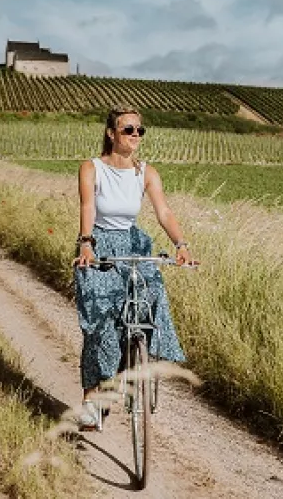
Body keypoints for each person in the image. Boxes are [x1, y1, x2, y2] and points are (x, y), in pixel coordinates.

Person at [72, 105, 196, 431]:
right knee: (99, 326)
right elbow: (87, 206)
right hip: (99, 245)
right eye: (128, 130)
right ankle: (90, 401)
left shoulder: (146, 173)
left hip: (133, 243)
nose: (135, 136)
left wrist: (181, 245)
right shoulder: (92, 168)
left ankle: (130, 368)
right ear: (112, 133)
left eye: (140, 130)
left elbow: (164, 212)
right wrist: (86, 242)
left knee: (147, 304)